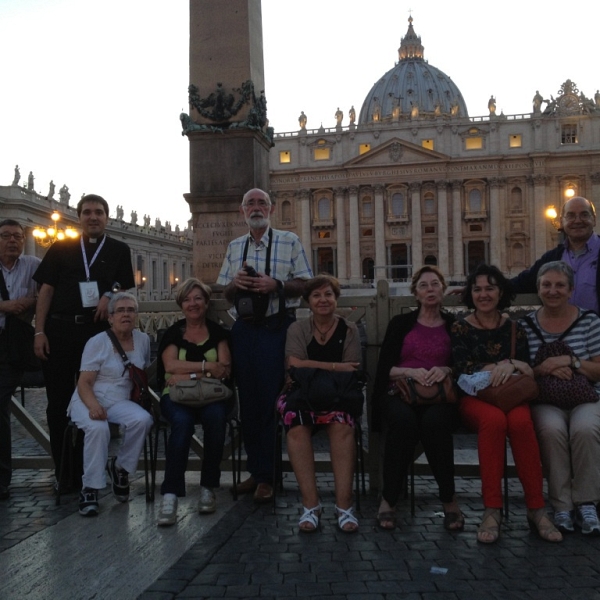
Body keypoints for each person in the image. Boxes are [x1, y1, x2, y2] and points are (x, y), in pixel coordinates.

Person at [451, 264, 562, 543]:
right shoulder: (460, 328)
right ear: (470, 294)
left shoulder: (515, 328)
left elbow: (527, 366)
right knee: (494, 421)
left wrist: (509, 363)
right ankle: (492, 509)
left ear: (501, 292)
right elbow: (462, 369)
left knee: (522, 423)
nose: (484, 294)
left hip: (511, 396)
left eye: (490, 288)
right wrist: (497, 366)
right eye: (477, 289)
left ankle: (536, 508)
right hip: (476, 399)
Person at [217, 188, 312, 503]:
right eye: (250, 204)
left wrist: (277, 285)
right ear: (242, 211)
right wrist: (236, 284)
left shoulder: (289, 241)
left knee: (273, 401)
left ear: (271, 209)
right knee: (249, 403)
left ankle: (269, 477)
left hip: (276, 328)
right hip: (244, 330)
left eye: (261, 203)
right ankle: (257, 472)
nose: (256, 208)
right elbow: (225, 294)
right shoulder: (234, 247)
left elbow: (306, 283)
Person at [33, 194, 135, 488]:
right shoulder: (61, 247)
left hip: (97, 336)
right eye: (87, 212)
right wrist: (39, 331)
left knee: (96, 400)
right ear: (78, 217)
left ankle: (85, 466)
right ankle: (64, 471)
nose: (93, 217)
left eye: (99, 212)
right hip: (60, 332)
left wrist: (110, 293)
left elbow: (125, 286)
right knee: (59, 403)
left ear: (107, 217)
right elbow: (46, 292)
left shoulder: (119, 249)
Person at [372, 266, 463, 531]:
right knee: (402, 422)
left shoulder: (454, 325)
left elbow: (462, 365)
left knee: (436, 425)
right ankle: (389, 499)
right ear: (415, 293)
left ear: (443, 290)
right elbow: (384, 368)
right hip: (400, 390)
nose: (430, 289)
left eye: (435, 284)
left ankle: (449, 499)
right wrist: (410, 371)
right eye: (424, 285)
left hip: (439, 396)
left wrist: (445, 369)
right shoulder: (400, 324)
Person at [520, 261, 600, 535]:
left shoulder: (589, 321)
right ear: (538, 288)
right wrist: (543, 368)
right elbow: (522, 371)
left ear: (571, 290)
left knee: (585, 429)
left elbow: (599, 370)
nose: (552, 291)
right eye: (546, 285)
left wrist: (571, 361)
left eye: (559, 285)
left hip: (586, 396)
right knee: (551, 431)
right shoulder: (526, 325)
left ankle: (587, 501)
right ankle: (562, 505)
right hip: (545, 399)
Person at [277, 275, 361, 533]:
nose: (323, 300)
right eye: (316, 296)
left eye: (328, 295)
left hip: (338, 396)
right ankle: (310, 505)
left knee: (342, 427)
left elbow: (353, 370)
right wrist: (334, 366)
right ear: (308, 302)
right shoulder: (297, 328)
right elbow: (293, 366)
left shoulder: (349, 329)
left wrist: (310, 366)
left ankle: (344, 504)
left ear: (336, 299)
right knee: (297, 428)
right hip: (301, 395)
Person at [155, 278, 232, 526]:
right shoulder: (173, 332)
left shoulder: (218, 332)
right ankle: (170, 494)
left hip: (212, 396)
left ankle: (208, 486)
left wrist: (186, 375)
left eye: (198, 298)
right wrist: (206, 367)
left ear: (207, 302)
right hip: (176, 398)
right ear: (181, 305)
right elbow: (169, 366)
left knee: (216, 420)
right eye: (187, 299)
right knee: (182, 424)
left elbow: (225, 370)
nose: (193, 303)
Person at [68, 292, 153, 516]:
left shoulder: (143, 340)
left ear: (136, 315)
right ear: (111, 317)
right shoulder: (97, 342)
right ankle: (90, 488)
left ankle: (120, 468)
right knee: (98, 428)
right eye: (120, 311)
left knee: (143, 420)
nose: (126, 314)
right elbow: (84, 383)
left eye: (130, 310)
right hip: (89, 396)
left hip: (120, 399)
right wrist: (94, 406)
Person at [0, 220, 40, 500]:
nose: (12, 240)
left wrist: (30, 302)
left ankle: (2, 479)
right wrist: (5, 306)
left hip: (14, 347)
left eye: (17, 236)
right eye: (5, 236)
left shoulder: (33, 265)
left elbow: (48, 292)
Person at [511, 196, 600, 313]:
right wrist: (487, 285)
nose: (578, 220)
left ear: (594, 219)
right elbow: (521, 283)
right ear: (562, 221)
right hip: (560, 329)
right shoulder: (552, 258)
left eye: (584, 215)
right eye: (571, 216)